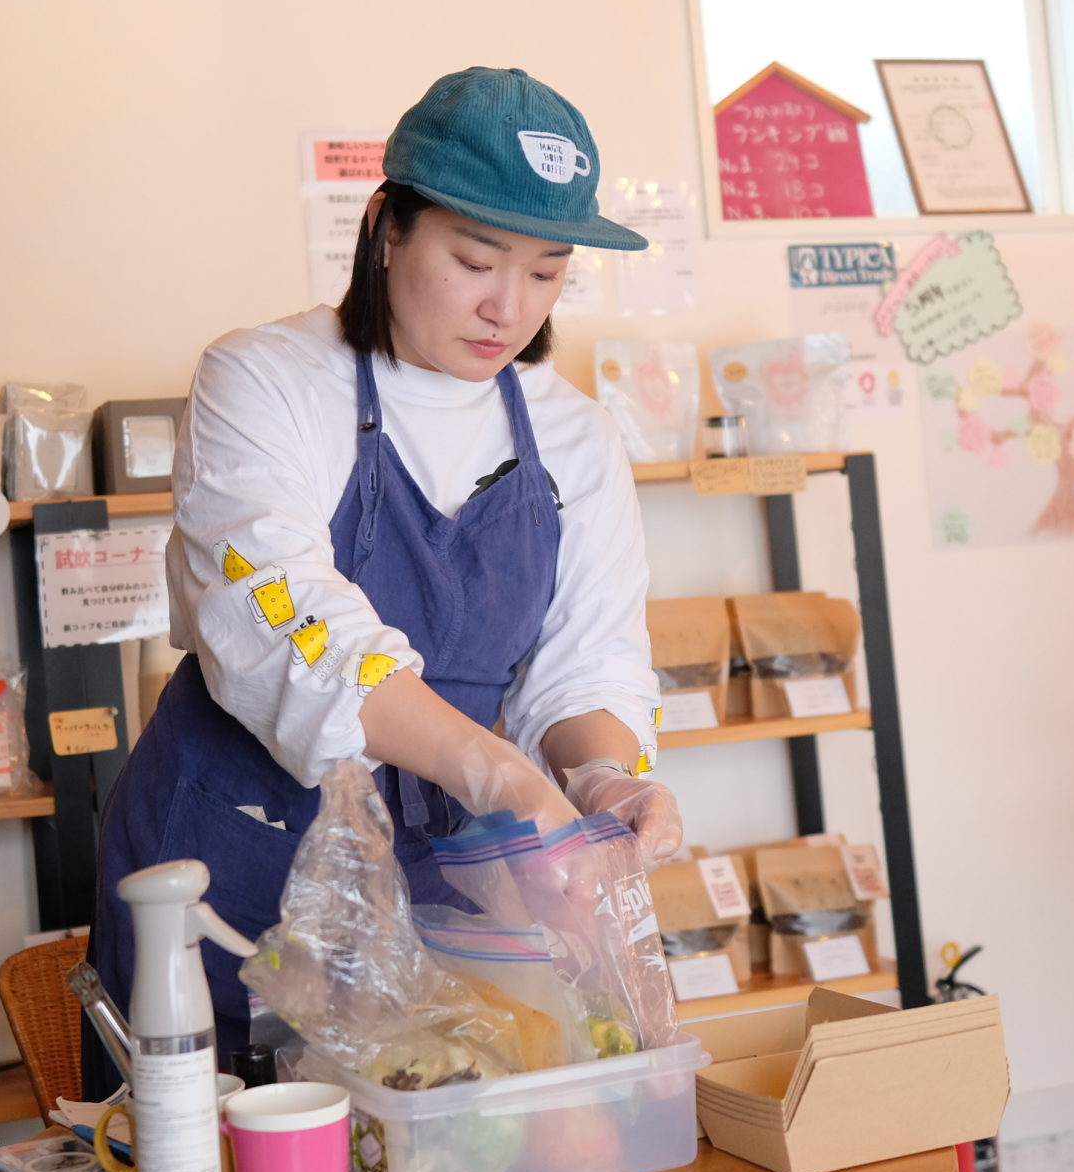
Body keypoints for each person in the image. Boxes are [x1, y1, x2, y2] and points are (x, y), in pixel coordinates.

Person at [83, 67, 682, 1100]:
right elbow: (288, 621)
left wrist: (595, 780)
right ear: (385, 228)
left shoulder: (575, 435)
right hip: (234, 859)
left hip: (451, 873)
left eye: (546, 272)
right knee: (210, 1158)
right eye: (474, 260)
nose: (507, 307)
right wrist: (503, 778)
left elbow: (589, 656)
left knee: (443, 1152)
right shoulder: (263, 379)